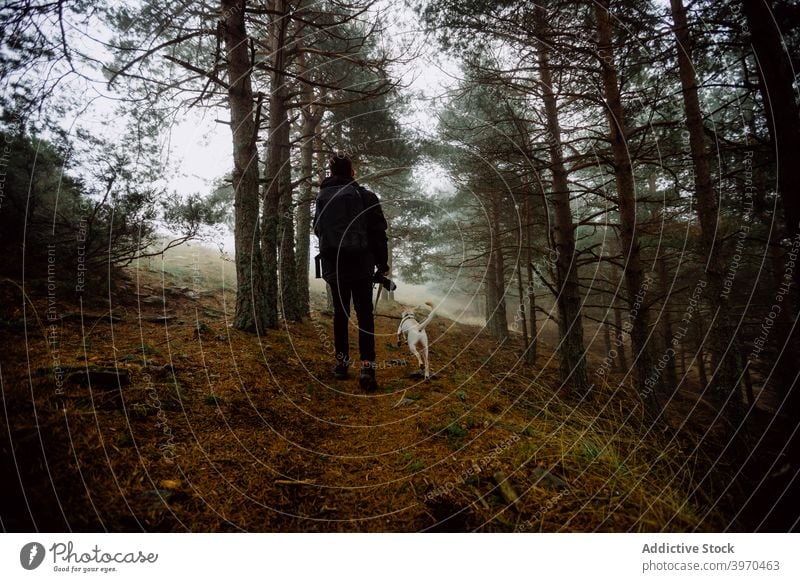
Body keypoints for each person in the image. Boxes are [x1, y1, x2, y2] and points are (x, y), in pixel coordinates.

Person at [313, 154, 389, 391]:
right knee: (365, 316)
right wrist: (382, 263)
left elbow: (318, 229)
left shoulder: (323, 197)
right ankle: (367, 368)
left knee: (340, 314)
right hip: (362, 265)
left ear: (332, 172)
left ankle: (341, 365)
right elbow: (378, 233)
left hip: (334, 265)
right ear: (352, 172)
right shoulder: (366, 196)